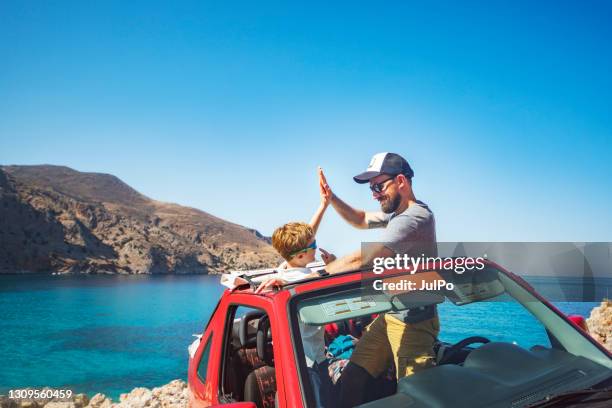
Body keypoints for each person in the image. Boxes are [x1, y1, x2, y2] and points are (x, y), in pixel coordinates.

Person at [320, 152, 440, 407]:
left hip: (414, 323)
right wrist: (332, 200)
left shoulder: (415, 218)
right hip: (391, 315)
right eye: (371, 188)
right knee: (353, 377)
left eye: (378, 186)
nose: (374, 193)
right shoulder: (397, 214)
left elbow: (364, 259)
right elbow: (361, 219)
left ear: (401, 182)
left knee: (414, 397)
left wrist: (316, 275)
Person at [252, 167, 336, 407]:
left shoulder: (286, 265)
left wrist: (323, 205)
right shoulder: (299, 277)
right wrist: (332, 268)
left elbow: (306, 237)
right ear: (300, 255)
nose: (317, 246)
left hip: (302, 360)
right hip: (311, 364)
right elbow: (297, 281)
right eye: (314, 245)